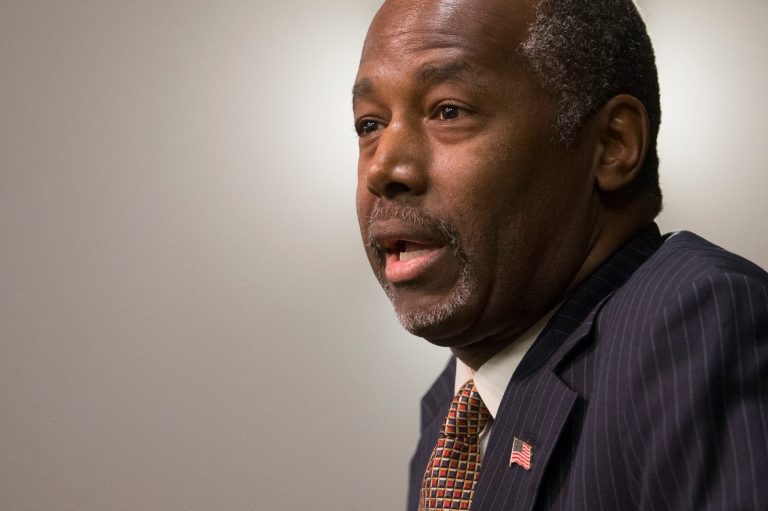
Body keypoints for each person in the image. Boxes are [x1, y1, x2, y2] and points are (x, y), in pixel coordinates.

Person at [352, 0, 768, 509]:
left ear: (612, 144)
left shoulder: (695, 325)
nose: (383, 168)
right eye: (369, 125)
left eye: (448, 111)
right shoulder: (449, 416)